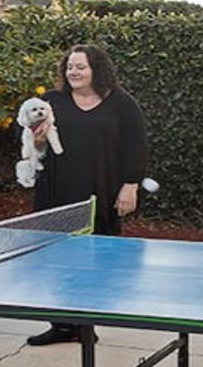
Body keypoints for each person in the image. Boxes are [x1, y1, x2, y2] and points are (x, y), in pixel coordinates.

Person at [25, 44, 149, 346]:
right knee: (57, 260)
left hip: (101, 192)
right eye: (69, 67)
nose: (74, 72)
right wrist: (37, 142)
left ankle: (85, 324)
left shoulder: (121, 103)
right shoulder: (51, 101)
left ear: (96, 69)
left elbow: (137, 145)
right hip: (55, 192)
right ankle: (61, 325)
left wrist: (131, 184)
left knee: (96, 261)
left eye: (80, 67)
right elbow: (33, 144)